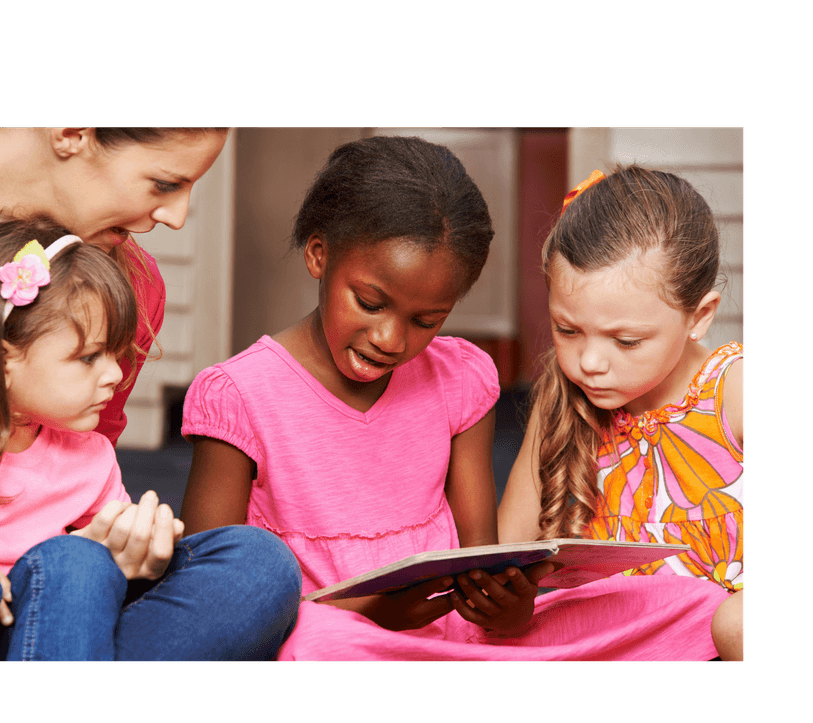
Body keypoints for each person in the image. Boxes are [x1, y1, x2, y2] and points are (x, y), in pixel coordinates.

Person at [179, 137, 730, 661]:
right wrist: (371, 613)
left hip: (463, 639)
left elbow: (484, 559)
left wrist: (507, 606)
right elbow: (220, 598)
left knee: (693, 605)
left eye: (427, 321)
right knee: (315, 642)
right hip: (336, 636)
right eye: (370, 303)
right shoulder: (239, 395)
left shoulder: (461, 379)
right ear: (318, 255)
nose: (392, 340)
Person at [0, 217, 301, 661]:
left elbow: (93, 580)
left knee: (260, 563)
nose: (115, 375)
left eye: (115, 354)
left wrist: (136, 554)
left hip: (61, 631)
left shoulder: (90, 456)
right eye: (88, 357)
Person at [496, 166, 744, 661]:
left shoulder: (732, 390)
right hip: (590, 642)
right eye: (567, 330)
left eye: (626, 341)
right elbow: (504, 552)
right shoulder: (560, 402)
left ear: (699, 316)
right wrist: (505, 601)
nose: (589, 362)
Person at [0, 126, 229, 445]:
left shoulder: (128, 287)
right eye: (165, 184)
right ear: (72, 134)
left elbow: (84, 468)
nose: (177, 217)